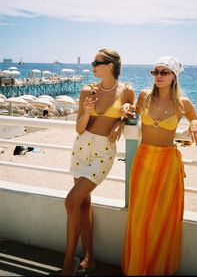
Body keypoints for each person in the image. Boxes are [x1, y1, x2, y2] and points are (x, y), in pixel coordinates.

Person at [122, 55, 197, 276]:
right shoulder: (145, 96)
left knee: (161, 220)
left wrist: (195, 121)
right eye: (155, 72)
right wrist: (126, 108)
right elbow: (134, 113)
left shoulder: (182, 103)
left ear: (173, 76)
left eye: (164, 72)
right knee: (139, 219)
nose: (158, 76)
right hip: (143, 160)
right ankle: (137, 269)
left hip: (167, 164)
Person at [61, 48, 135, 276]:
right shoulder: (87, 91)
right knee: (83, 204)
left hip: (103, 152)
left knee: (71, 201)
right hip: (82, 146)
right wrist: (86, 112)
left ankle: (67, 264)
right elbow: (79, 128)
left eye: (96, 62)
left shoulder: (126, 91)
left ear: (110, 65)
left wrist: (120, 123)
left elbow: (133, 112)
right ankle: (89, 257)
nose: (92, 65)